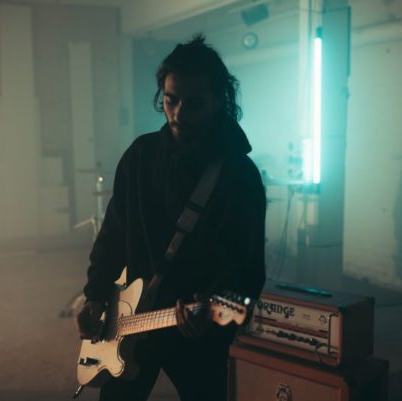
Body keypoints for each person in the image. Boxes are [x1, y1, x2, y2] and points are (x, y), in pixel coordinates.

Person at [75, 34, 266, 401]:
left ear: (218, 100)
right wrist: (94, 296)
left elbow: (246, 268)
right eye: (171, 99)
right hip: (129, 318)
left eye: (194, 103)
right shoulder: (140, 156)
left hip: (196, 329)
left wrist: (210, 306)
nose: (179, 113)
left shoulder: (238, 175)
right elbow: (113, 234)